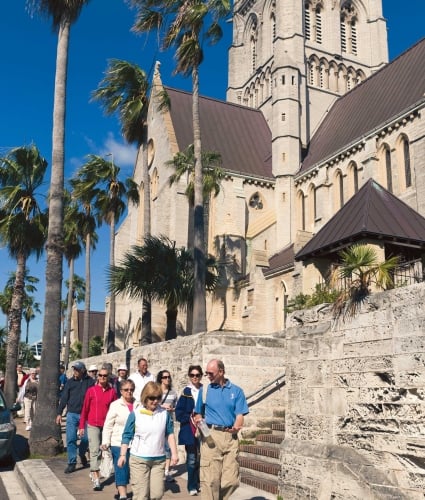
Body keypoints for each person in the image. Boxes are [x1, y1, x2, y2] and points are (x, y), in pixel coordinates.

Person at [194, 359, 249, 500]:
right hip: (211, 436)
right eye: (206, 373)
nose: (208, 376)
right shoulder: (205, 390)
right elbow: (197, 413)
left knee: (231, 481)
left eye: (210, 373)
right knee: (210, 481)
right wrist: (199, 420)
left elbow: (240, 415)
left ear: (221, 372)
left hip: (230, 438)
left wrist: (237, 427)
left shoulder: (237, 391)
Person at [118, 381, 179, 500]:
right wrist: (122, 455)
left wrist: (174, 454)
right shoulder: (136, 414)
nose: (155, 401)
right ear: (145, 397)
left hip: (158, 460)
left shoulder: (164, 414)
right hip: (139, 460)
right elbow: (126, 435)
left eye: (158, 398)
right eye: (152, 398)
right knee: (141, 496)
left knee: (157, 494)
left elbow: (170, 434)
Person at [79, 367, 117, 491]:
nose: (102, 377)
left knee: (104, 450)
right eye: (100, 375)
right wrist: (81, 426)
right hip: (93, 424)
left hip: (106, 426)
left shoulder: (112, 392)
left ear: (108, 377)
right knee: (94, 450)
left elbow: (116, 409)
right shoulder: (91, 391)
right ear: (97, 377)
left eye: (105, 376)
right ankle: (96, 478)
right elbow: (85, 409)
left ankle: (95, 470)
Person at [101, 379, 139, 500]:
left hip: (135, 443)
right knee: (121, 467)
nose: (129, 392)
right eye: (126, 390)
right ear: (121, 391)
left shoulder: (139, 404)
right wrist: (105, 441)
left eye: (131, 389)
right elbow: (108, 424)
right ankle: (123, 494)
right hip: (118, 441)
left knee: (132, 469)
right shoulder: (115, 405)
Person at [56, 361, 95, 474]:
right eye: (74, 369)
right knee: (71, 439)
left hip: (86, 415)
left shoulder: (90, 382)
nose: (75, 372)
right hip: (72, 414)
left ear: (83, 371)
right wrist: (59, 413)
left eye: (77, 369)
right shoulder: (70, 382)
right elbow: (64, 398)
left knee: (86, 439)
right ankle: (72, 463)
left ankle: (81, 453)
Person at [175, 365, 203, 496]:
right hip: (190, 430)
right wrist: (191, 417)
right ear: (189, 376)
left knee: (201, 458)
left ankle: (198, 482)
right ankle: (192, 486)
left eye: (197, 375)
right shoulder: (186, 392)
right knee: (192, 459)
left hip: (204, 429)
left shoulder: (205, 390)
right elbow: (179, 413)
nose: (195, 377)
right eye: (192, 375)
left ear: (201, 376)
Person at [156, 369, 178, 483]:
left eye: (169, 377)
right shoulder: (156, 391)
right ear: (160, 379)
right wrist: (161, 405)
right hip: (157, 421)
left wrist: (172, 409)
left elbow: (177, 407)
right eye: (165, 377)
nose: (167, 379)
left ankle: (166, 471)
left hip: (168, 421)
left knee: (168, 446)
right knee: (158, 445)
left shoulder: (173, 393)